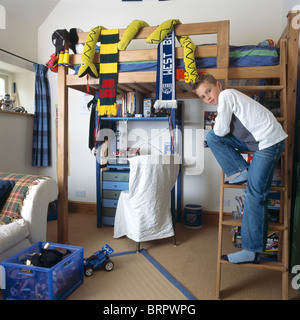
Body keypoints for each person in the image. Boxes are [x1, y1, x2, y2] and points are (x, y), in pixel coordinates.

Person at [193, 73, 287, 264]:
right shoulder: (226, 103)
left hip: (268, 143)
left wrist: (217, 123)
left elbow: (220, 130)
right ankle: (239, 171)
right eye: (203, 96)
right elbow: (219, 133)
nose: (208, 97)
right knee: (211, 138)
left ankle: (250, 250)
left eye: (209, 91)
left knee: (254, 194)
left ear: (218, 85)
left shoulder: (227, 95)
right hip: (256, 142)